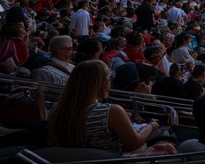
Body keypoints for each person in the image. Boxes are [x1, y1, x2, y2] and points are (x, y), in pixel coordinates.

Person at [47, 60, 176, 155]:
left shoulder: (57, 109)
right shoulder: (112, 111)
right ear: (100, 83)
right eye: (109, 78)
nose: (111, 82)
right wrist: (151, 126)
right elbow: (134, 144)